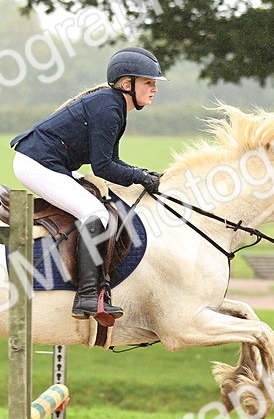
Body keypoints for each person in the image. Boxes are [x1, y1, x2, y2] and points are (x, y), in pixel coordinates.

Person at [9, 46, 167, 320]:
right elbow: (103, 167)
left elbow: (110, 163)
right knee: (94, 213)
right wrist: (140, 176)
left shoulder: (114, 106)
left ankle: (99, 288)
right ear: (127, 84)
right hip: (37, 164)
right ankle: (87, 296)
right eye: (148, 82)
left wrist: (141, 173)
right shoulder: (109, 107)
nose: (154, 89)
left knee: (101, 203)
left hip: (49, 163)